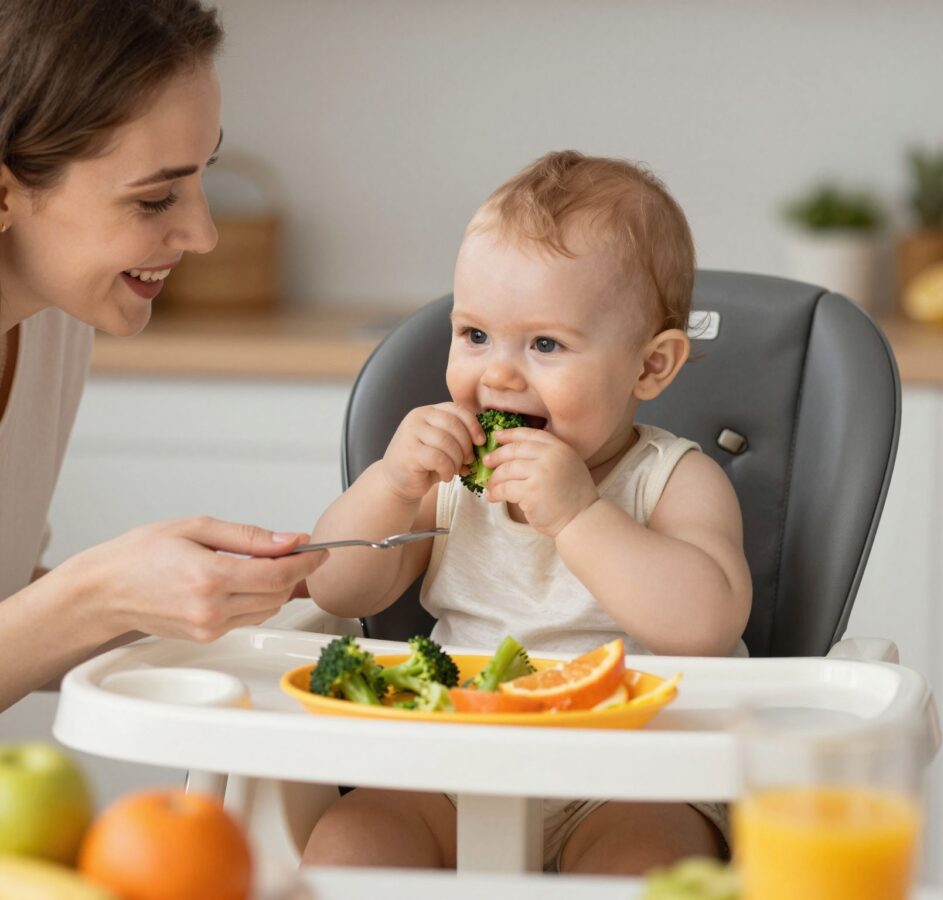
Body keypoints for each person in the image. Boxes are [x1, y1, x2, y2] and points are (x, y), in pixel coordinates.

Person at [303, 150, 753, 874]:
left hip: (630, 777)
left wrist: (578, 516)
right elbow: (336, 586)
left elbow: (706, 626)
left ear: (650, 366)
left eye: (546, 344)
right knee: (351, 842)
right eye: (475, 335)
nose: (499, 373)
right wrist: (391, 483)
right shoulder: (449, 480)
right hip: (454, 768)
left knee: (649, 863)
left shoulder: (673, 481)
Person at [0, 0, 327, 713]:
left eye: (204, 174)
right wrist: (99, 594)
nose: (204, 235)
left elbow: (14, 608)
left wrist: (233, 597)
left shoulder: (57, 321)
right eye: (155, 199)